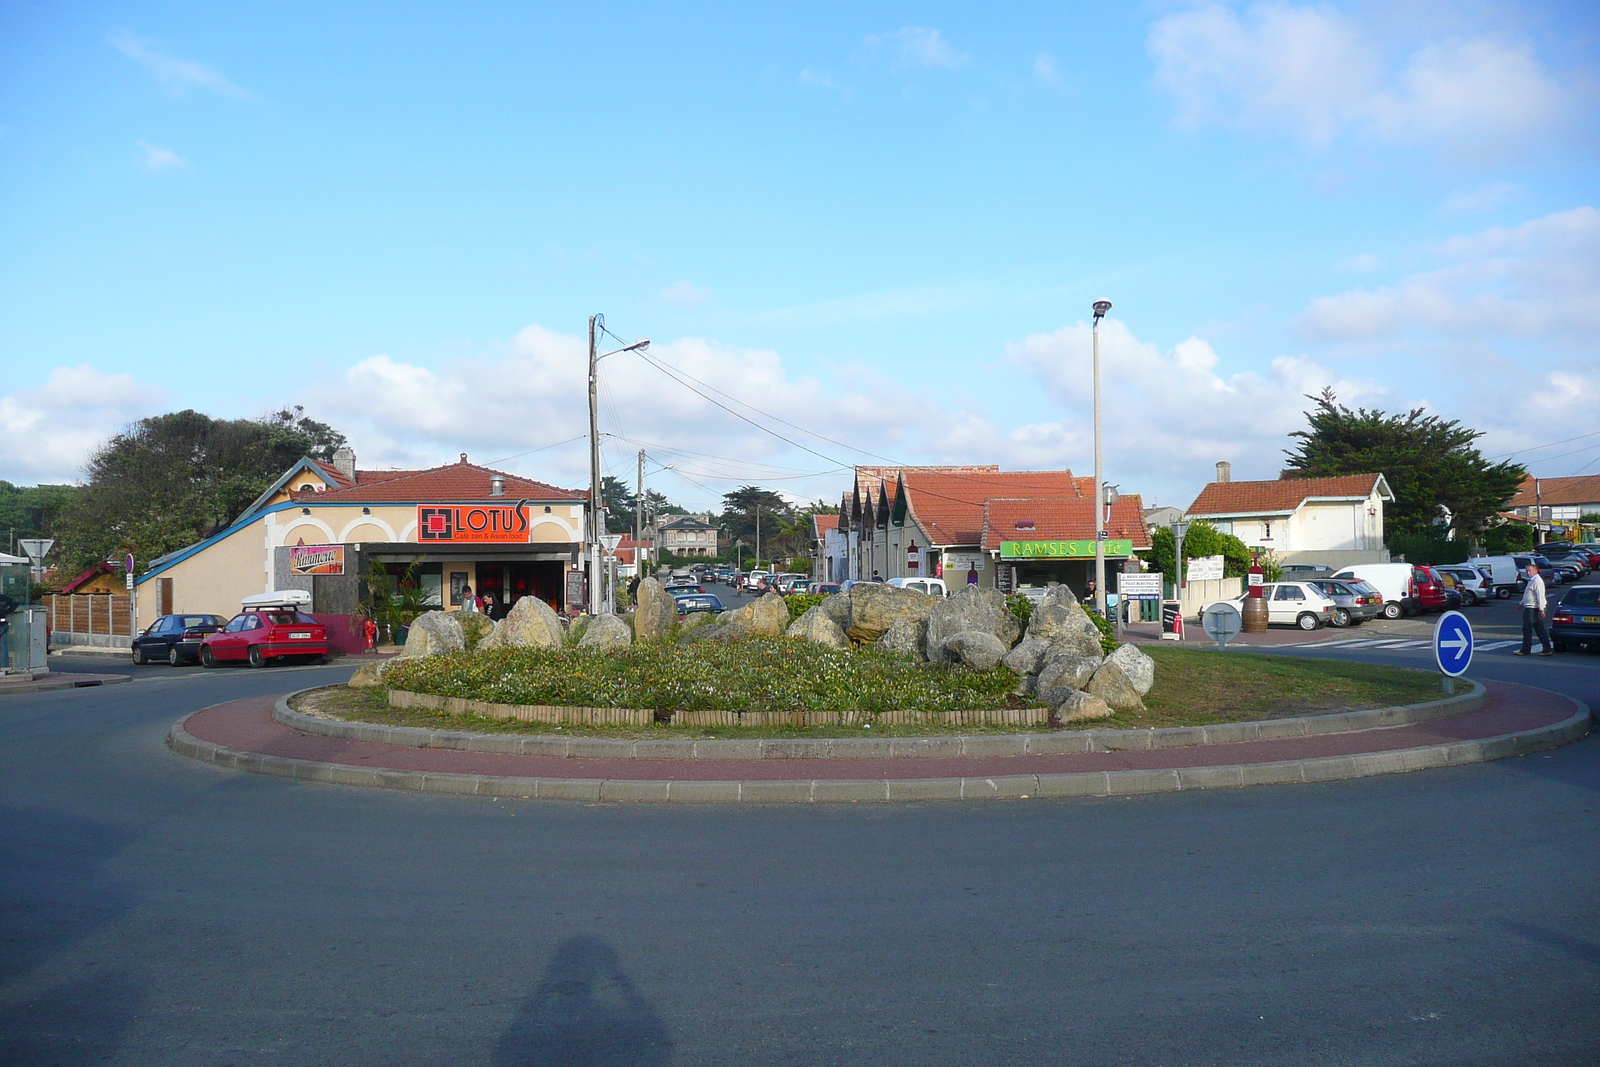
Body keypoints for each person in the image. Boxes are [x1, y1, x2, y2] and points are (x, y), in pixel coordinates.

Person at [1515, 562, 1553, 656]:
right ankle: (1547, 649)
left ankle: (1525, 650)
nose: (1528, 573)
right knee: (1539, 629)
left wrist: (1541, 609)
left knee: (1527, 629)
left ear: (1536, 570)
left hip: (1532, 608)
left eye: (1530, 571)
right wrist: (1521, 604)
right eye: (1527, 571)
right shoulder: (1532, 580)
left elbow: (1540, 595)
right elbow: (1528, 595)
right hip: (1530, 607)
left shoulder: (1537, 581)